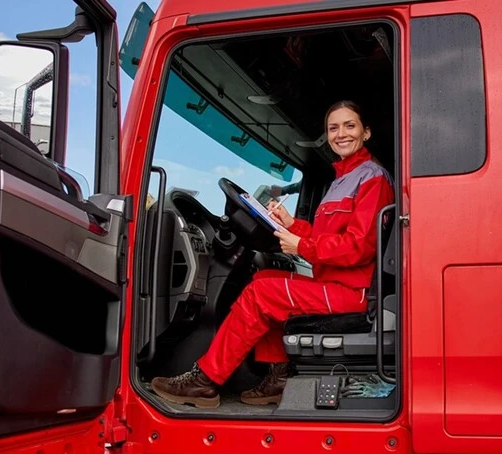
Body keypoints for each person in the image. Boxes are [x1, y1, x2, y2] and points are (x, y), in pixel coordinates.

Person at [150, 100, 394, 408]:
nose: (341, 134)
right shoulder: (341, 180)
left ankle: (204, 381)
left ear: (366, 132)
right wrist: (293, 225)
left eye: (350, 126)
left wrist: (301, 246)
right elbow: (331, 236)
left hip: (355, 292)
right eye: (334, 128)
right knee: (264, 278)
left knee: (262, 293)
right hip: (334, 284)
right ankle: (278, 378)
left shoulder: (372, 179)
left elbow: (360, 247)